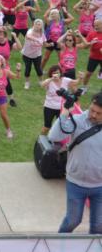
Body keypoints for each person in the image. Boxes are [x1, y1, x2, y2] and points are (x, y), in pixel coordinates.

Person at [49, 92, 102, 234]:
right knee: (73, 221)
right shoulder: (77, 121)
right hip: (75, 183)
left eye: (99, 113)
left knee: (99, 226)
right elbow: (53, 136)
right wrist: (64, 114)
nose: (94, 115)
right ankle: (58, 245)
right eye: (92, 110)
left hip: (100, 187)